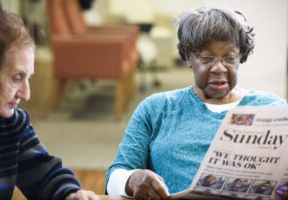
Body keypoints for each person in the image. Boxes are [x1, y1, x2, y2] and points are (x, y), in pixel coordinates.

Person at [105, 6, 288, 200]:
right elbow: (114, 177)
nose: (219, 68)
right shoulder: (157, 108)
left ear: (241, 56)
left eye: (229, 58)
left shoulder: (273, 108)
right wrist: (132, 179)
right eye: (206, 58)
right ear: (187, 57)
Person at [0, 5, 99, 200]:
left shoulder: (13, 123)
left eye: (28, 78)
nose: (26, 94)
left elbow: (44, 175)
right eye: (16, 78)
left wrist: (70, 195)